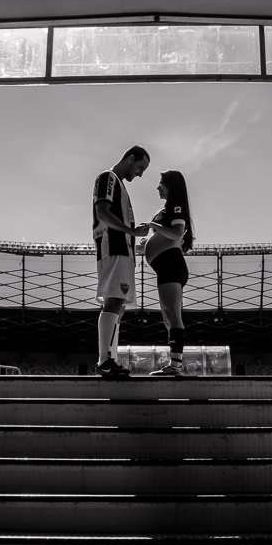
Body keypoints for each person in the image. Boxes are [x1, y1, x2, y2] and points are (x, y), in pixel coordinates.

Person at [92, 146, 150, 377]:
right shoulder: (109, 177)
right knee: (114, 301)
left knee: (120, 305)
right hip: (113, 247)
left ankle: (110, 358)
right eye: (140, 167)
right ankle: (105, 360)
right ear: (130, 158)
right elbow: (102, 213)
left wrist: (134, 240)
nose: (140, 174)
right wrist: (131, 231)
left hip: (123, 250)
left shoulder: (120, 185)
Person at [140, 170, 193, 376]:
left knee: (173, 315)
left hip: (171, 265)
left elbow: (177, 233)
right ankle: (174, 364)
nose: (158, 187)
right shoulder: (165, 210)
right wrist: (147, 243)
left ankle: (176, 366)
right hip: (166, 267)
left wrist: (153, 226)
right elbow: (166, 236)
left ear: (171, 184)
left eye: (161, 183)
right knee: (168, 317)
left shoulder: (176, 206)